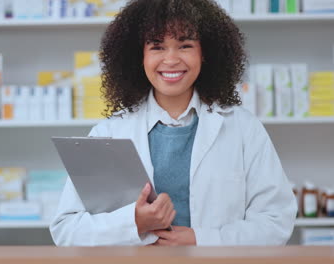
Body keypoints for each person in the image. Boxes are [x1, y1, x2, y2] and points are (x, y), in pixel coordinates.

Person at [50, 0, 297, 246]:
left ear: (205, 53)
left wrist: (202, 240)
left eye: (185, 45)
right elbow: (66, 230)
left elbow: (276, 221)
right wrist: (134, 223)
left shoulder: (243, 128)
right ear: (140, 56)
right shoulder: (109, 132)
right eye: (157, 47)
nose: (171, 59)